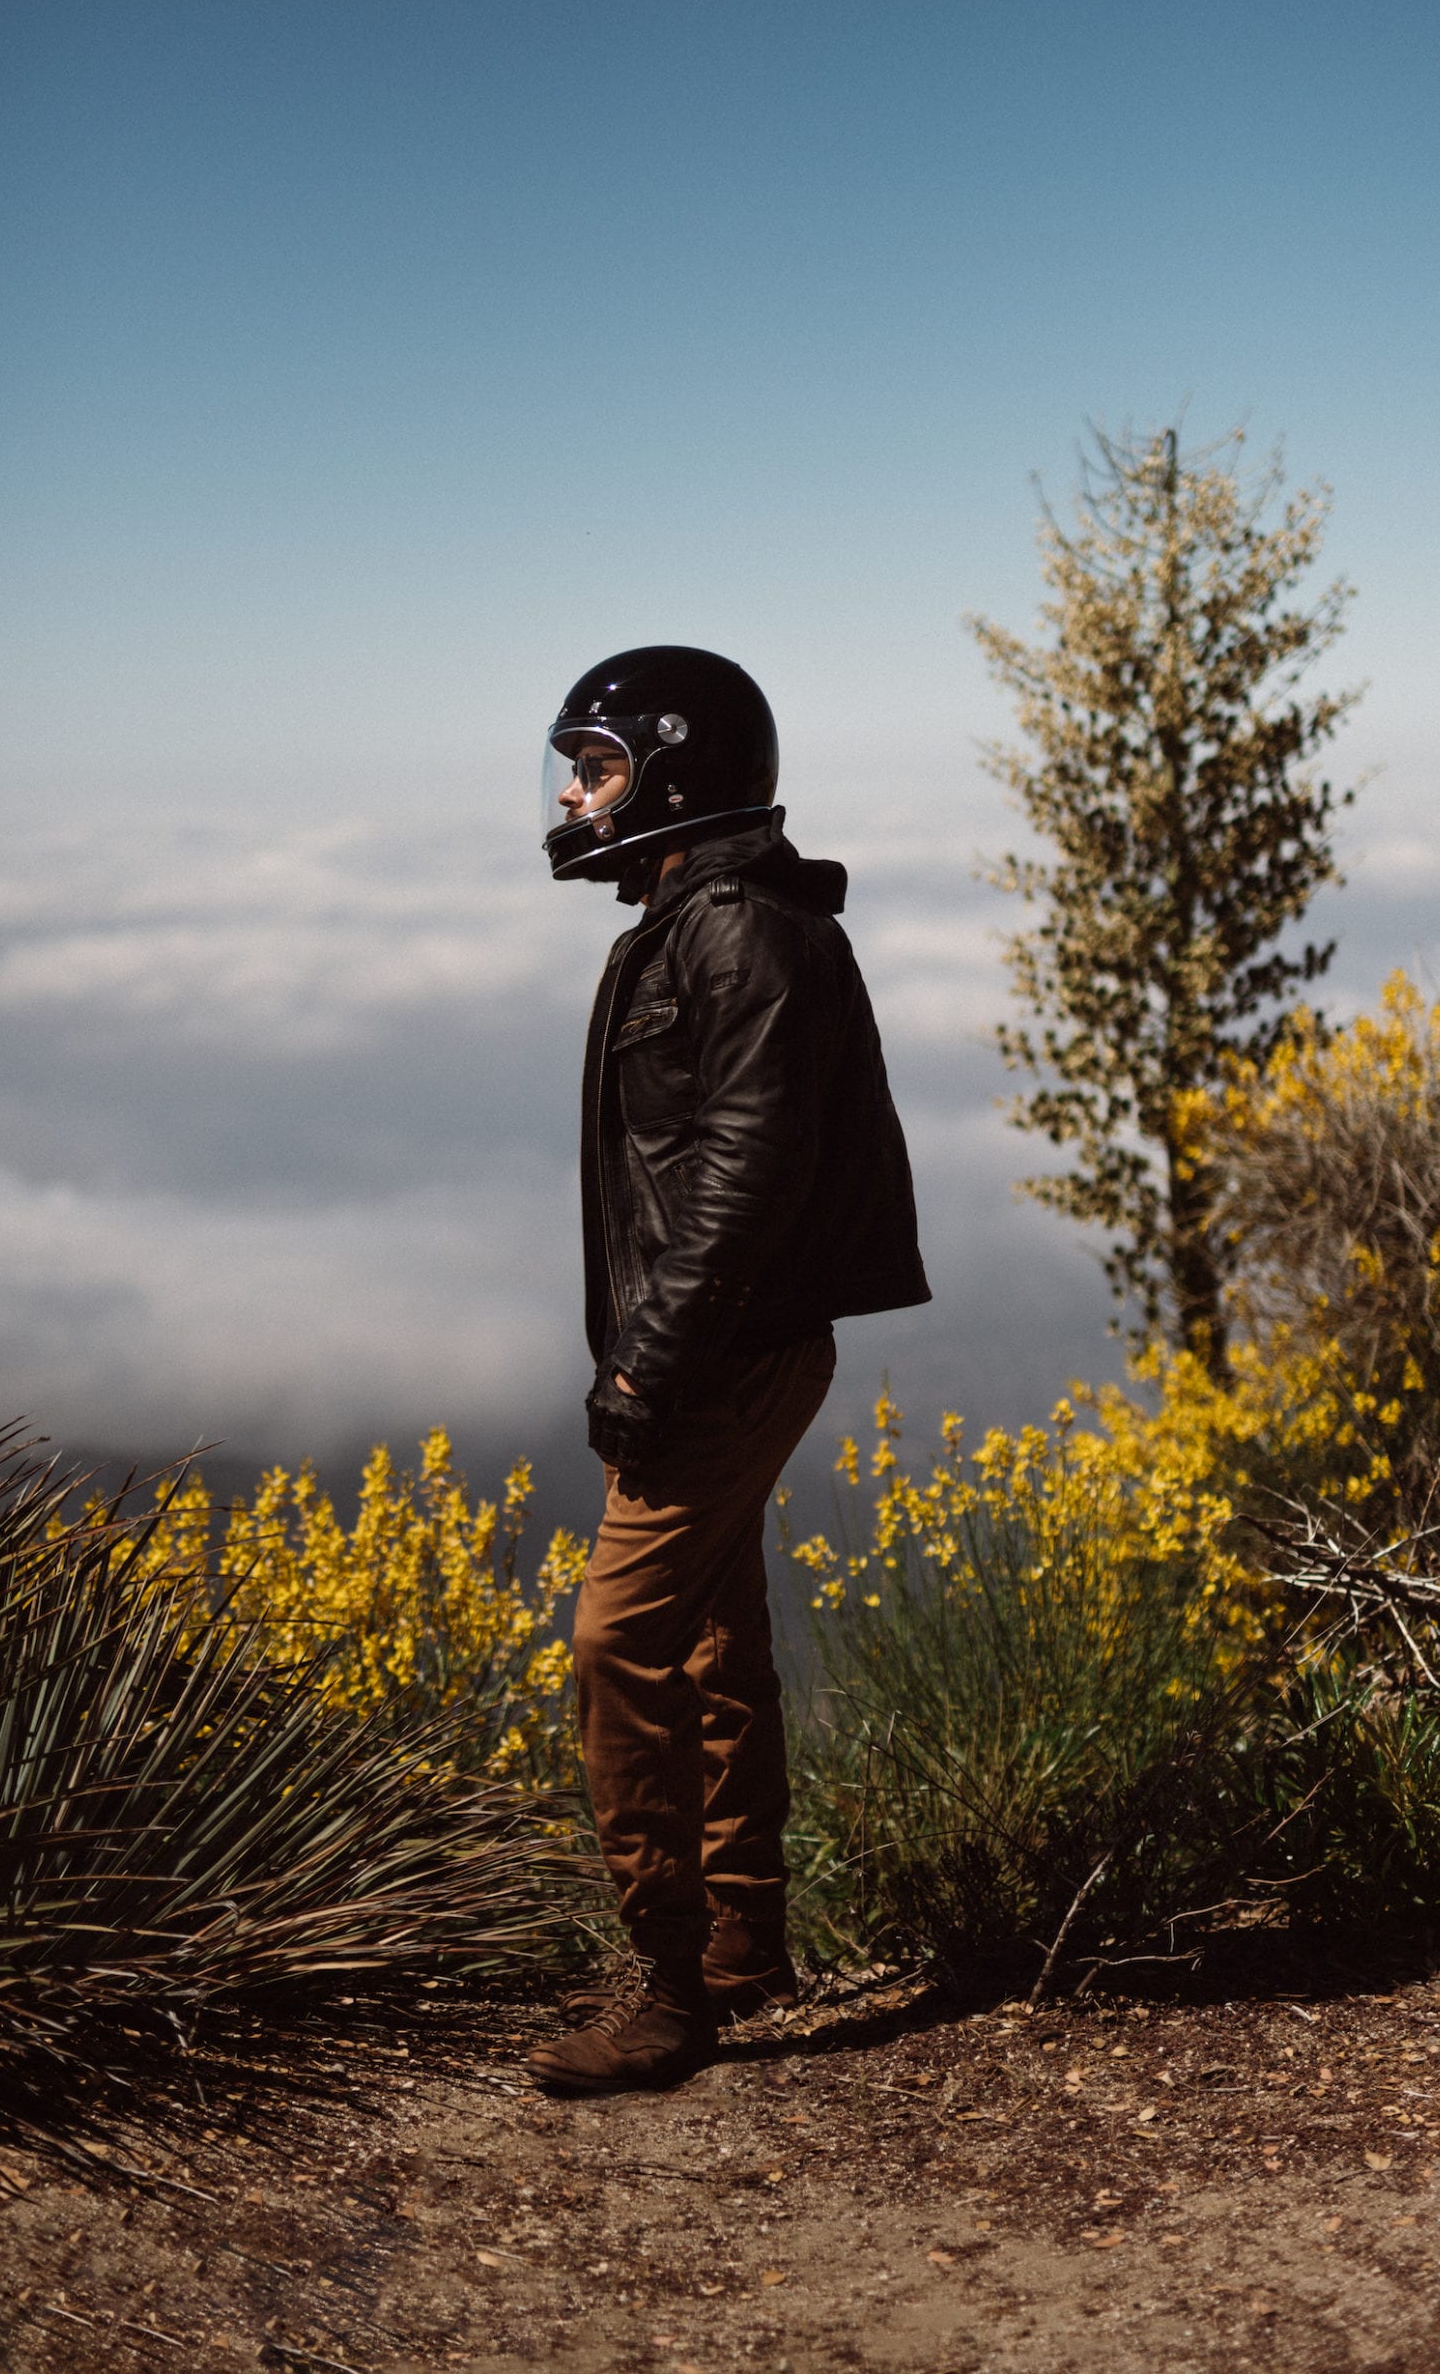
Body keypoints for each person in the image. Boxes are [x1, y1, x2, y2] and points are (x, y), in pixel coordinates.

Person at [525, 646, 929, 2096]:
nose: (575, 793)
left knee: (613, 1643)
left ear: (677, 775)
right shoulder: (706, 916)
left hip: (726, 1354)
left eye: (599, 766)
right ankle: (745, 1948)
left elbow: (745, 1170)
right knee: (710, 1645)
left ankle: (666, 1992)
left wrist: (647, 1362)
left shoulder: (738, 931)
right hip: (735, 1342)